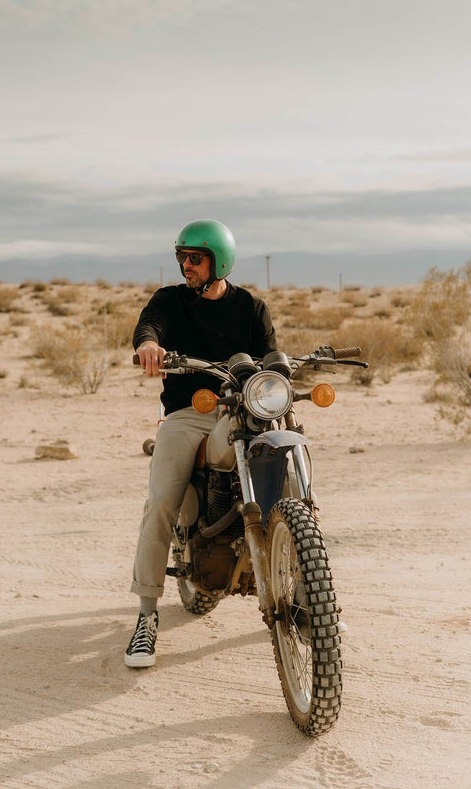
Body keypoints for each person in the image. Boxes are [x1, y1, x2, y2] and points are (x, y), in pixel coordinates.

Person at [125, 219, 277, 667]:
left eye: (195, 258)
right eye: (182, 257)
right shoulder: (170, 300)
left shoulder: (250, 305)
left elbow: (271, 356)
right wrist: (149, 345)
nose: (186, 265)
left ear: (219, 261)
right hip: (189, 412)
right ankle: (147, 615)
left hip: (243, 407)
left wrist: (283, 370)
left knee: (286, 459)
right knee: (161, 502)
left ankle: (310, 589)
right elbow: (149, 326)